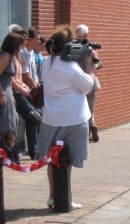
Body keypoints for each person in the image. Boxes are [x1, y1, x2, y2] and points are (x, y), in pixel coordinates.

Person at [34, 25, 96, 209]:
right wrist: (90, 67)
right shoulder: (71, 68)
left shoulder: (47, 62)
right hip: (74, 118)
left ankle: (53, 196)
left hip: (51, 117)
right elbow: (87, 86)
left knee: (52, 159)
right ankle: (65, 199)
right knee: (66, 161)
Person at [0, 33, 23, 163]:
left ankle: (8, 151)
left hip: (7, 92)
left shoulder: (9, 56)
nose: (22, 47)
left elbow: (9, 79)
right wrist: (1, 94)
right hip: (1, 92)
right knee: (7, 122)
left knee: (12, 121)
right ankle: (10, 152)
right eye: (20, 44)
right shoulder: (5, 56)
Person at [15, 27, 43, 159]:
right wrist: (34, 88)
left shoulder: (32, 53)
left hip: (29, 91)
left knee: (33, 117)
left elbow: (34, 72)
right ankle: (33, 149)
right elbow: (25, 75)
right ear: (29, 39)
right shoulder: (22, 53)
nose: (39, 42)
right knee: (33, 116)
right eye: (36, 39)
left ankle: (35, 148)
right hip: (21, 92)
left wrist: (36, 85)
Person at [76, 25, 103, 143]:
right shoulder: (91, 50)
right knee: (89, 109)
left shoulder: (74, 49)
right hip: (90, 82)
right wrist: (97, 66)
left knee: (79, 109)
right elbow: (95, 64)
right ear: (86, 35)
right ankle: (88, 131)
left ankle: (87, 129)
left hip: (77, 82)